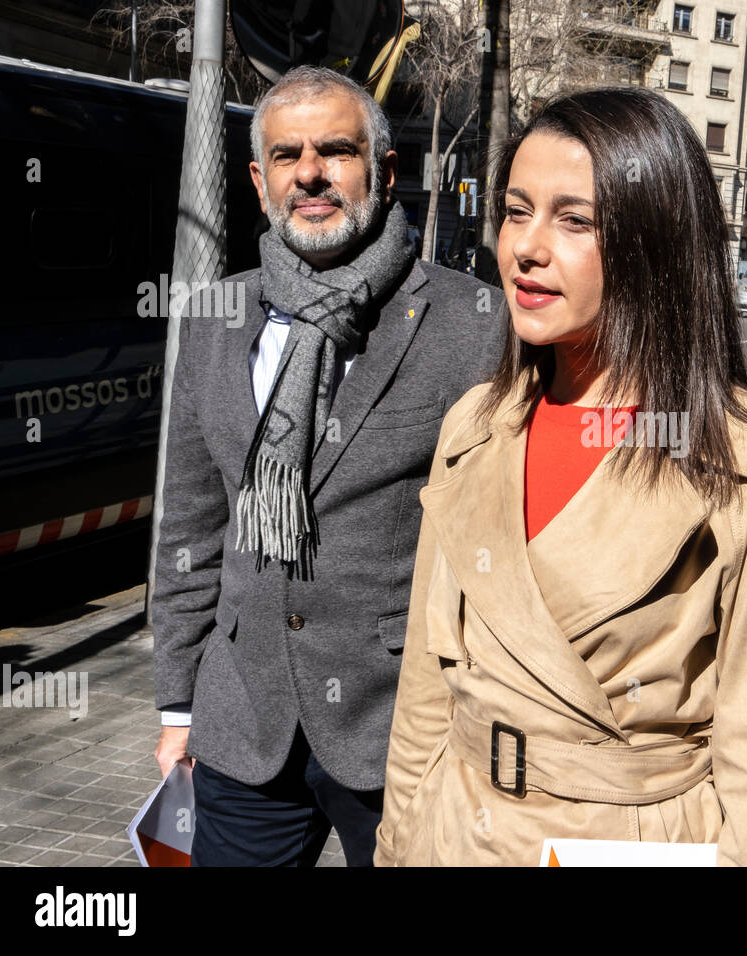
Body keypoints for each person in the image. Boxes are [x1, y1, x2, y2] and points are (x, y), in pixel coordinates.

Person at [374, 87, 747, 867]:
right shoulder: (475, 426)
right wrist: (398, 842)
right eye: (516, 211)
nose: (526, 247)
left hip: (625, 840)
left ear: (655, 243)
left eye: (574, 219)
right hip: (455, 832)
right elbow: (425, 687)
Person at [150, 66, 503, 866]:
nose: (309, 172)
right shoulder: (216, 317)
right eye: (286, 155)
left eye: (334, 151)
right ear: (259, 178)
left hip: (403, 725)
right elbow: (192, 523)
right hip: (244, 720)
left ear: (381, 170)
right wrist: (178, 706)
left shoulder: (473, 323)